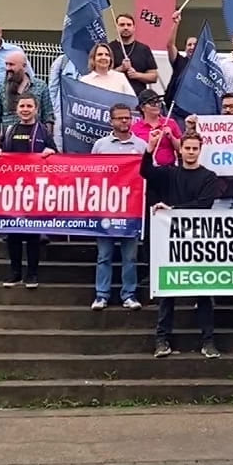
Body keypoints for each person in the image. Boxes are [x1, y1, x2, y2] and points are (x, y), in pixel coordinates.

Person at [144, 132, 226, 358]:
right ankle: (162, 340)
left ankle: (208, 342)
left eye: (194, 148)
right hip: (170, 241)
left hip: (199, 242)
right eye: (187, 148)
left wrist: (174, 209)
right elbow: (146, 172)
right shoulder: (170, 173)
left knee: (203, 292)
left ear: (200, 150)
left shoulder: (209, 176)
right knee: (167, 292)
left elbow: (204, 204)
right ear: (180, 150)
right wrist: (150, 149)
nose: (190, 152)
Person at [0, 94, 55, 287]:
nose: (25, 109)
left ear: (36, 109)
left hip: (35, 192)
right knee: (12, 234)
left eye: (29, 106)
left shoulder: (43, 131)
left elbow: (56, 155)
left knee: (32, 235)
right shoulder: (10, 129)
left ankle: (32, 274)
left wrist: (51, 152)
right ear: (16, 109)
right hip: (12, 191)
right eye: (22, 106)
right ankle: (14, 273)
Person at [90, 103, 148, 311]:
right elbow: (91, 174)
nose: (124, 121)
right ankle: (101, 295)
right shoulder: (100, 145)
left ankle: (129, 294)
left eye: (127, 118)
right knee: (104, 255)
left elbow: (150, 174)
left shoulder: (141, 145)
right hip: (106, 208)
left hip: (131, 211)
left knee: (129, 257)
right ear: (111, 121)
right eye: (120, 118)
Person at [107, 13, 160, 91]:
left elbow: (154, 77)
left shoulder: (144, 49)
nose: (126, 27)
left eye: (129, 25)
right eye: (122, 25)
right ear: (116, 27)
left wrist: (137, 75)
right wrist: (120, 69)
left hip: (138, 97)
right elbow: (102, 75)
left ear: (134, 27)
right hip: (114, 95)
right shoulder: (108, 48)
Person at [132, 92, 182, 166]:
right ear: (142, 108)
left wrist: (171, 137)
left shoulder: (170, 122)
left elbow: (181, 149)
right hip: (145, 169)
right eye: (152, 103)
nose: (157, 105)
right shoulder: (135, 128)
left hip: (168, 169)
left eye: (158, 102)